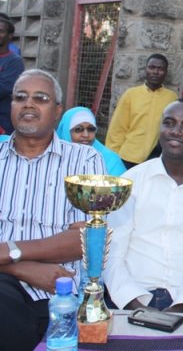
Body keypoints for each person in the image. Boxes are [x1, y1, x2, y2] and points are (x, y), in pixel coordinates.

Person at [0, 70, 105, 350]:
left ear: (58, 111)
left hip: (58, 293)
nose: (28, 104)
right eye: (20, 97)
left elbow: (85, 240)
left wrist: (9, 250)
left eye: (40, 98)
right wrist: (22, 269)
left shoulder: (85, 160)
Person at [104, 100, 183, 313]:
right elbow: (113, 252)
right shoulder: (131, 181)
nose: (175, 131)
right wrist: (134, 304)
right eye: (169, 123)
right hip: (131, 298)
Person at [106, 53, 177, 169]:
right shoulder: (131, 94)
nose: (155, 72)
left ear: (166, 72)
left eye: (160, 69)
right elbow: (117, 128)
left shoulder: (172, 98)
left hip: (156, 160)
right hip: (127, 157)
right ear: (145, 69)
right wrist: (112, 157)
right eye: (152, 67)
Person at [56, 106, 126, 176]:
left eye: (91, 129)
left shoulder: (110, 160)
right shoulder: (54, 157)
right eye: (78, 129)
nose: (86, 135)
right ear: (66, 132)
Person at [0, 16, 24, 135]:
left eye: (1, 31)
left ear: (10, 36)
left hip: (3, 124)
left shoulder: (14, 61)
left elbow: (3, 89)